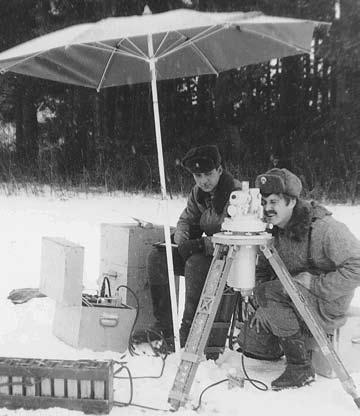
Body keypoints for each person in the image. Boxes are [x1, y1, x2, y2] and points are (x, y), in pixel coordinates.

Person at [238, 168, 360, 390]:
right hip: (292, 299)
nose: (267, 208)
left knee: (268, 293)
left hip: (326, 303)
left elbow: (357, 266)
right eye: (264, 202)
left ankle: (300, 367)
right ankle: (290, 336)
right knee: (250, 343)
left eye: (274, 201)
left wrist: (316, 284)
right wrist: (261, 306)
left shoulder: (324, 229)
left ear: (292, 202)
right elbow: (264, 271)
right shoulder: (275, 230)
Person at [146, 144, 241, 348]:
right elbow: (186, 220)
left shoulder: (236, 195)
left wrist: (200, 244)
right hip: (206, 253)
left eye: (208, 173)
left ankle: (188, 330)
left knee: (195, 264)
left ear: (220, 170)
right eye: (198, 175)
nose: (203, 181)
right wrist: (182, 239)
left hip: (233, 260)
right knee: (158, 258)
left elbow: (237, 238)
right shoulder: (198, 193)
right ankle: (165, 327)